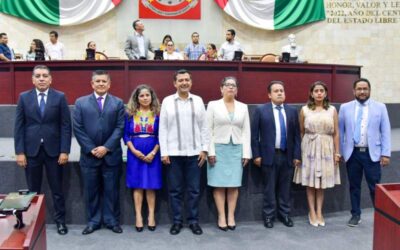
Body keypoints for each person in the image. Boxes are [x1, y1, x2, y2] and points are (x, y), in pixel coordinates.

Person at [14, 65, 71, 235]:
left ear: (50, 79)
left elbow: (65, 126)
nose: (41, 79)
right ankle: (32, 222)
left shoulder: (60, 97)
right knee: (33, 190)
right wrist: (20, 152)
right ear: (33, 79)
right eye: (38, 76)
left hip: (54, 152)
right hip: (31, 152)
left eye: (45, 76)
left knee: (57, 190)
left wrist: (64, 150)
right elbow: (19, 126)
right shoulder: (24, 98)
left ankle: (60, 221)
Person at [73, 70, 125, 235]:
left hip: (111, 154)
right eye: (98, 81)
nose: (101, 84)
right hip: (89, 155)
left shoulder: (118, 103)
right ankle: (93, 221)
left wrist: (106, 147)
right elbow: (78, 128)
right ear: (92, 84)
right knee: (91, 191)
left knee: (112, 190)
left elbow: (120, 127)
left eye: (104, 81)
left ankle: (112, 221)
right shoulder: (80, 103)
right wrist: (91, 148)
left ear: (109, 84)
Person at [159, 69, 210, 235]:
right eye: (180, 80)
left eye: (187, 80)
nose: (184, 83)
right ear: (175, 83)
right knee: (175, 191)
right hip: (173, 154)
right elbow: (163, 128)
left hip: (195, 153)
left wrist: (204, 149)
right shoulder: (167, 101)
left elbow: (204, 127)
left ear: (191, 82)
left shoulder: (198, 100)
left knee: (194, 190)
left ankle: (193, 221)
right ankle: (177, 222)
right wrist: (164, 152)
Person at [339, 78, 391, 227]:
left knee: (375, 187)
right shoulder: (345, 107)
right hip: (352, 154)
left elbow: (385, 131)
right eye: (359, 89)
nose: (362, 92)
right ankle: (355, 215)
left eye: (365, 89)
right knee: (354, 186)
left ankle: (381, 216)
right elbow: (340, 131)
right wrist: (341, 152)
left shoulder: (380, 107)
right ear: (354, 91)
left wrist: (385, 153)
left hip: (372, 154)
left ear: (369, 90)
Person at [251, 80, 301, 229]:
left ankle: (285, 214)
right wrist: (257, 155)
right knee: (269, 188)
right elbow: (254, 136)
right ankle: (268, 216)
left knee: (285, 188)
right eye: (276, 91)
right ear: (269, 94)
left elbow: (297, 136)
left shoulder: (292, 111)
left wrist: (297, 155)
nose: (279, 93)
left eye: (282, 90)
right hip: (268, 156)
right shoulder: (261, 110)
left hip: (287, 156)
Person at [206, 76, 251, 231]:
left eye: (233, 85)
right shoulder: (213, 105)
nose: (230, 87)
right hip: (218, 149)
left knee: (233, 185)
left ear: (237, 90)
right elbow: (208, 130)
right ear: (221, 88)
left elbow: (246, 131)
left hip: (236, 149)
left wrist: (246, 153)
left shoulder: (243, 107)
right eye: (227, 85)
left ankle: (231, 216)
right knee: (218, 185)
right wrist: (210, 151)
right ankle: (221, 216)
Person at [293, 81, 340, 227]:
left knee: (321, 183)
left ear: (325, 93)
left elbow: (336, 133)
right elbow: (301, 131)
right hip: (309, 148)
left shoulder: (332, 110)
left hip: (326, 147)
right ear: (311, 94)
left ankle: (319, 211)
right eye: (316, 91)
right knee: (310, 182)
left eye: (321, 90)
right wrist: (301, 152)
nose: (319, 93)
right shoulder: (304, 110)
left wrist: (337, 152)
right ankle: (311, 212)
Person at [123, 84, 162, 232]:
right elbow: (126, 135)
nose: (145, 98)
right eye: (142, 96)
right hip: (135, 151)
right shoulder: (130, 114)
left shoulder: (158, 113)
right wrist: (133, 150)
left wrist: (153, 152)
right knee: (138, 184)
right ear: (136, 98)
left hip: (153, 151)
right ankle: (138, 216)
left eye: (147, 95)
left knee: (151, 184)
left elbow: (161, 134)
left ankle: (151, 216)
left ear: (152, 97)